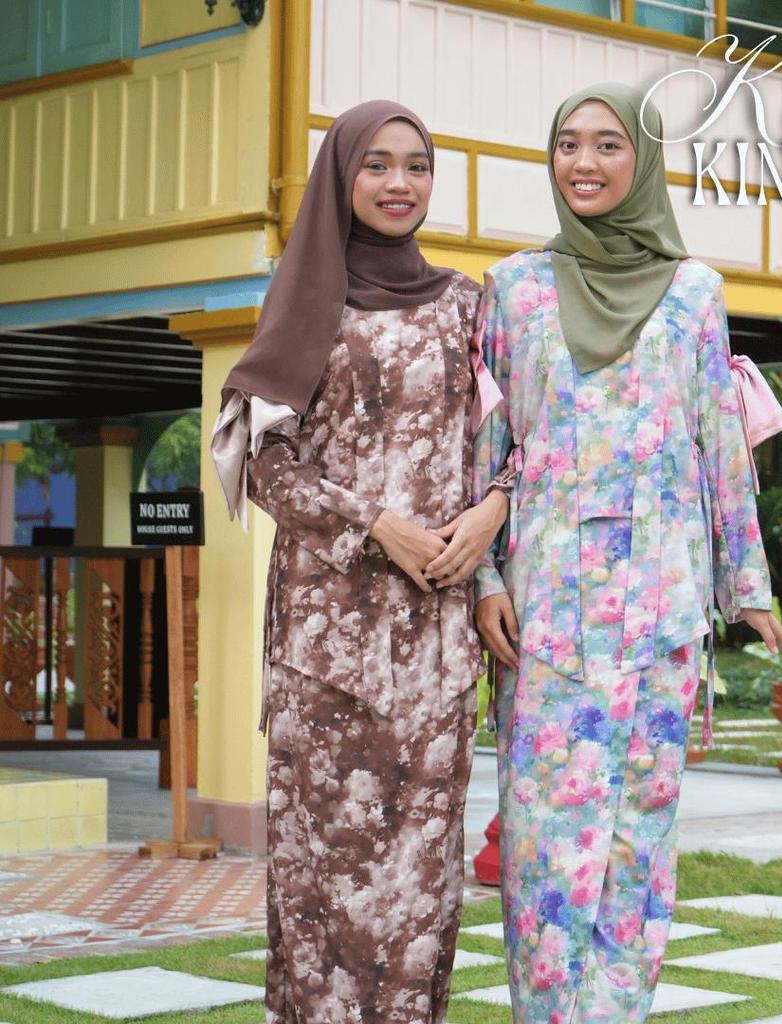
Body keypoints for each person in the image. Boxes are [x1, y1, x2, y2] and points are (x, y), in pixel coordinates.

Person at [471, 83, 782, 1022]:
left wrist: (749, 589)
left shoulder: (697, 292)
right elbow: (482, 453)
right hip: (544, 614)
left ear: (644, 160)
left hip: (664, 611)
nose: (584, 162)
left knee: (638, 848)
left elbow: (720, 444)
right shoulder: (513, 288)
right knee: (545, 849)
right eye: (568, 143)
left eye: (609, 144)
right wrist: (483, 580)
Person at [210, 100, 508, 1024]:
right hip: (325, 647)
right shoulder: (306, 298)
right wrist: (378, 523)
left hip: (435, 640)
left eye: (416, 165)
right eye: (375, 164)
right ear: (341, 178)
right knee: (323, 887)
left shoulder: (469, 305)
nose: (398, 183)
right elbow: (263, 464)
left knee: (422, 886)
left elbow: (514, 444)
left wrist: (492, 517)